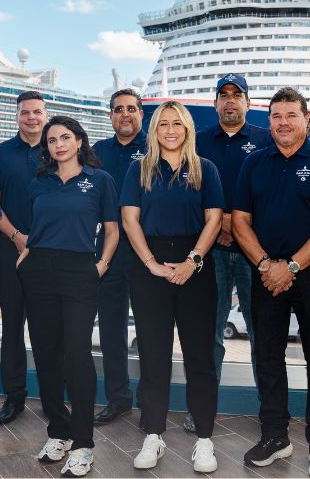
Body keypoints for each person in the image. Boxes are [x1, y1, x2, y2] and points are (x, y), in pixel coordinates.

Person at [233, 87, 310, 478]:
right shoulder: (254, 163)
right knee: (267, 357)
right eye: (276, 116)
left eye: (290, 116)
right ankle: (275, 436)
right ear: (269, 122)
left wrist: (293, 267)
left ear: (306, 120)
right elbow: (240, 222)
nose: (283, 123)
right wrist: (267, 264)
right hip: (266, 273)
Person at [120, 101, 223, 473]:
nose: (170, 130)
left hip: (195, 262)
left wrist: (193, 261)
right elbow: (130, 220)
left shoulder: (205, 169)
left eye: (176, 123)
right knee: (153, 354)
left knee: (200, 356)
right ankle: (154, 434)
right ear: (154, 130)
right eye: (163, 123)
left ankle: (205, 441)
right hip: (150, 264)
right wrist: (151, 264)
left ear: (187, 128)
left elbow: (214, 219)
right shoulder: (139, 169)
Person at [18, 116, 119, 477]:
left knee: (77, 354)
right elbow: (30, 227)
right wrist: (26, 252)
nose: (58, 144)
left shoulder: (100, 181)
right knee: (46, 354)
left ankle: (84, 443)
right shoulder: (38, 183)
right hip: (39, 270)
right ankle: (58, 431)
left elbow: (111, 229)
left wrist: (102, 264)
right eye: (51, 139)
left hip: (80, 271)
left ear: (79, 141)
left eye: (65, 137)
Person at [194, 73, 272, 426]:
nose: (229, 100)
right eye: (223, 95)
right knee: (209, 331)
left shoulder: (266, 139)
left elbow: (272, 192)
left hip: (253, 250)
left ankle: (268, 408)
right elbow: (189, 190)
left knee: (261, 331)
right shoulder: (197, 142)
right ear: (215, 103)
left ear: (248, 103)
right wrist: (220, 224)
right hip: (210, 249)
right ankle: (202, 409)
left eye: (236, 94)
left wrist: (235, 225)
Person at [0, 90, 47, 424]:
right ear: (17, 116)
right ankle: (14, 396)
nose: (32, 118)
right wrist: (18, 237)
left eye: (37, 112)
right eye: (26, 112)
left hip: (51, 253)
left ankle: (52, 395)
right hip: (12, 249)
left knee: (48, 328)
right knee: (12, 326)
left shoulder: (58, 149)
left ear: (45, 114)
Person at [90, 89, 147, 425]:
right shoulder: (97, 152)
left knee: (151, 329)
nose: (125, 115)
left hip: (147, 249)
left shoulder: (155, 147)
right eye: (118, 109)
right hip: (109, 249)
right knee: (111, 330)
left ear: (141, 113)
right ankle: (119, 398)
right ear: (110, 115)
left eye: (131, 109)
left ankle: (150, 401)